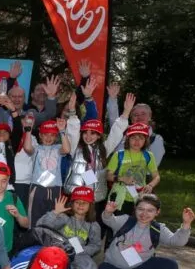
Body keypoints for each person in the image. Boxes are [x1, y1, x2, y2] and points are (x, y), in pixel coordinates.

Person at [97, 195, 195, 269]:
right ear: (135, 209)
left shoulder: (158, 228)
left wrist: (186, 224)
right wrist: (108, 212)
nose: (144, 213)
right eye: (141, 209)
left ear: (157, 212)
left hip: (139, 267)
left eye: (150, 210)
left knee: (170, 266)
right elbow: (108, 220)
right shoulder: (125, 221)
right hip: (115, 267)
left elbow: (177, 241)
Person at [64, 92, 135, 223]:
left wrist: (126, 112)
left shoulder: (104, 149)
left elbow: (115, 133)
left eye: (93, 133)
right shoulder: (76, 147)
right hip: (77, 196)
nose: (88, 136)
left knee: (91, 226)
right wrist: (73, 112)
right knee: (72, 225)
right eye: (85, 133)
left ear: (99, 136)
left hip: (94, 198)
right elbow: (73, 131)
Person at [36, 188, 102, 269]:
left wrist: (81, 250)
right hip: (58, 250)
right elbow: (41, 227)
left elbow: (96, 245)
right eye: (77, 202)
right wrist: (55, 213)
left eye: (85, 203)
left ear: (90, 206)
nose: (80, 205)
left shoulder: (93, 225)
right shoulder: (64, 217)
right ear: (72, 203)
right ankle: (59, 268)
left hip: (77, 253)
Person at [22, 116, 71, 227]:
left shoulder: (58, 148)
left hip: (55, 188)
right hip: (38, 188)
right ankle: (34, 242)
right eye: (45, 134)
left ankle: (49, 242)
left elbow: (67, 149)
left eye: (52, 135)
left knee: (54, 219)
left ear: (56, 136)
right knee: (34, 219)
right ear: (40, 135)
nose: (48, 138)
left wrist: (62, 131)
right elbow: (27, 148)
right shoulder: (37, 148)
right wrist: (28, 130)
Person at [106, 122, 161, 216]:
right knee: (117, 225)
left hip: (139, 197)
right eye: (133, 138)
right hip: (120, 197)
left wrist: (151, 185)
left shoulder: (148, 156)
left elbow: (156, 176)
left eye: (141, 138)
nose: (137, 141)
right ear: (128, 139)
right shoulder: (119, 155)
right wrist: (122, 178)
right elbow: (108, 176)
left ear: (145, 140)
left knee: (136, 224)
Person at [106, 83, 166, 166]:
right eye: (135, 114)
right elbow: (114, 119)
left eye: (143, 114)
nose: (139, 117)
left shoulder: (156, 139)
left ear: (150, 116)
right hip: (113, 176)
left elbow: (152, 167)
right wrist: (112, 99)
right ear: (131, 119)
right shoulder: (122, 132)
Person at [0, 162, 29, 253]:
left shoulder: (13, 198)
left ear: (8, 179)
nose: (0, 185)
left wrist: (18, 216)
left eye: (4, 181)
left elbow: (26, 224)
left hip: (7, 248)